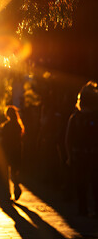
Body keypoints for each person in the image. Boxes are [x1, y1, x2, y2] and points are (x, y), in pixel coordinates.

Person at [65, 80, 98, 217]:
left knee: (81, 183)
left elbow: (68, 138)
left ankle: (82, 208)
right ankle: (96, 208)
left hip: (78, 155)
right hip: (94, 154)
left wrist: (69, 156)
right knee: (95, 182)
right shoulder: (96, 117)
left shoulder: (75, 117)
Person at [0, 105, 24, 201]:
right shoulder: (18, 125)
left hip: (8, 150)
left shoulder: (6, 126)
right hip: (17, 150)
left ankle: (9, 192)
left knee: (7, 172)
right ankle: (16, 187)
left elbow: (3, 139)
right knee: (14, 171)